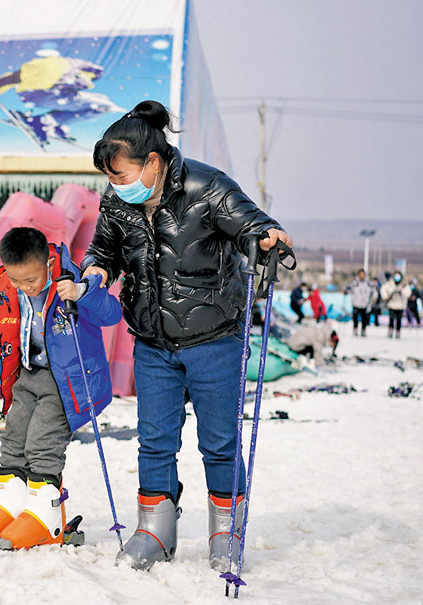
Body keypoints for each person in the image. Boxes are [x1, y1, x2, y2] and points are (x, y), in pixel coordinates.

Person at [81, 100, 292, 571]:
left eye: (120, 174)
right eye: (110, 178)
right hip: (152, 340)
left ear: (151, 162)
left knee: (218, 441)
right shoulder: (118, 200)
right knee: (155, 440)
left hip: (213, 338)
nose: (114, 186)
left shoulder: (207, 186)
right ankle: (155, 530)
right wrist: (96, 269)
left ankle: (225, 531)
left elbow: (249, 224)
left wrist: (265, 238)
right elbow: (104, 249)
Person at [0, 227, 123, 549]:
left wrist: (83, 293)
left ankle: (44, 518)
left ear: (49, 266)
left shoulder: (74, 282)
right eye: (16, 280)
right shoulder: (4, 288)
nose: (23, 288)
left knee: (42, 442)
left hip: (69, 381)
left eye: (31, 281)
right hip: (26, 374)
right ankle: (11, 506)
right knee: (13, 438)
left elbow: (111, 314)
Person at [0, 52, 122, 145]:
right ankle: (48, 121)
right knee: (104, 105)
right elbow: (90, 74)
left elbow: (1, 83)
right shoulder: (74, 66)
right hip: (53, 94)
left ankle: (50, 121)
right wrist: (92, 77)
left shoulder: (32, 67)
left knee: (89, 99)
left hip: (29, 96)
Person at [380, 271, 412, 338]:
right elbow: (383, 289)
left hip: (400, 305)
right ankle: (390, 331)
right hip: (391, 304)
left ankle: (398, 331)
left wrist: (402, 291)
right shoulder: (389, 284)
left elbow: (408, 293)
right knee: (391, 319)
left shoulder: (404, 285)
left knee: (398, 320)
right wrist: (386, 297)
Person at [344, 268, 375, 336]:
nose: (362, 276)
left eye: (363, 274)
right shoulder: (355, 283)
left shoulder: (368, 283)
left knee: (364, 319)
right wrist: (346, 292)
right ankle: (355, 329)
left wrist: (373, 299)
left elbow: (374, 291)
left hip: (365, 304)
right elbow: (347, 289)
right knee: (355, 318)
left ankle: (363, 330)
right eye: (360, 274)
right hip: (356, 303)